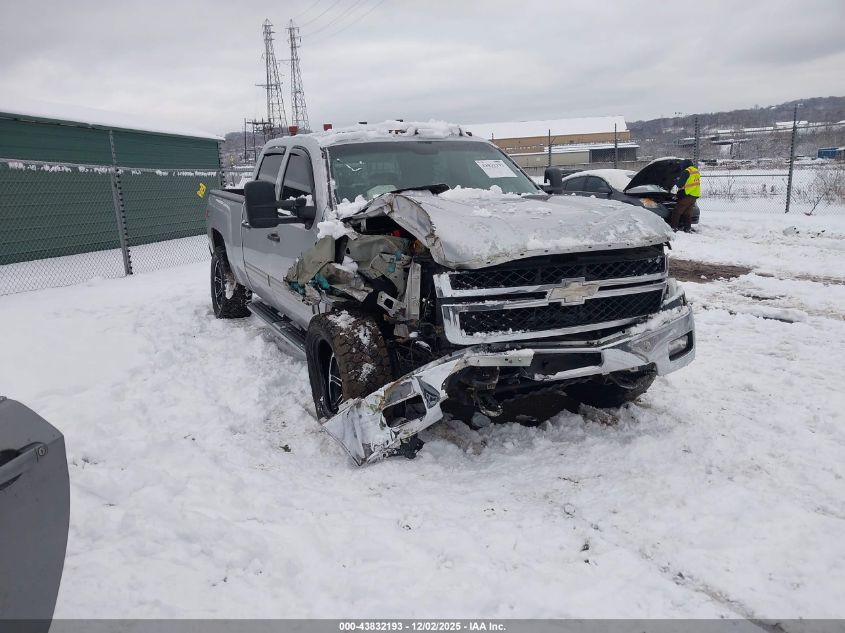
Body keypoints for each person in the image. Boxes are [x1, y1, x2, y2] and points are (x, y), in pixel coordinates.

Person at [671, 159, 700, 232]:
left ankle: (673, 228)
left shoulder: (687, 171)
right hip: (694, 195)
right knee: (687, 213)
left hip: (687, 195)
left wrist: (676, 181)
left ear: (684, 165)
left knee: (676, 211)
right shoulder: (696, 171)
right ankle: (687, 228)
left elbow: (680, 184)